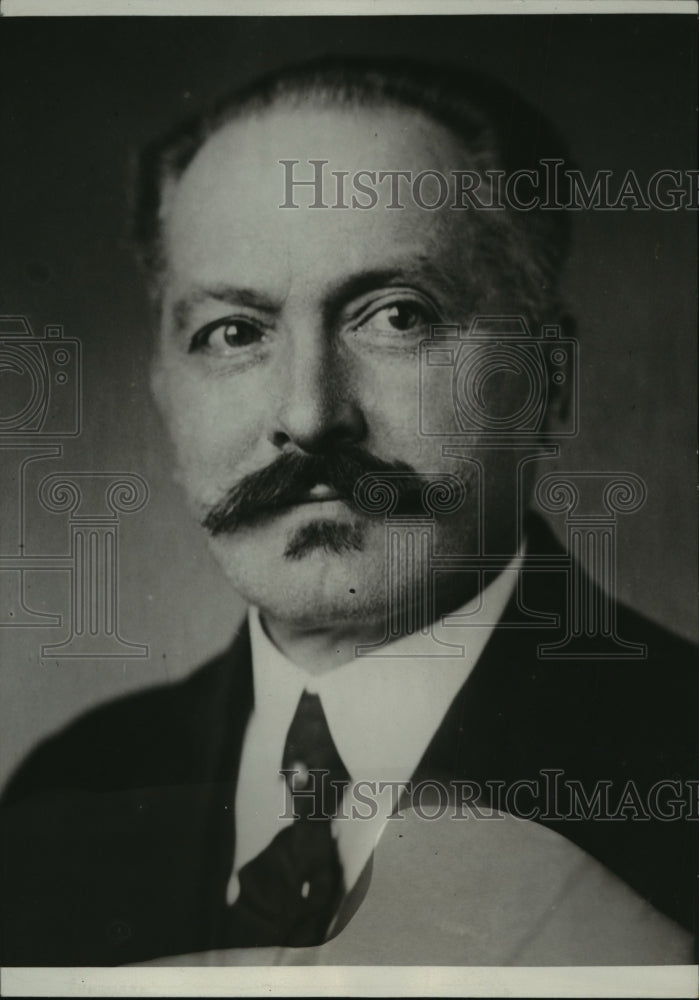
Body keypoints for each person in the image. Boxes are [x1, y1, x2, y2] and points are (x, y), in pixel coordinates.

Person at [1, 56, 696, 967]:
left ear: (547, 385)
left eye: (396, 316)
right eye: (234, 333)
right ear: (167, 397)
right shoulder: (71, 793)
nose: (307, 414)